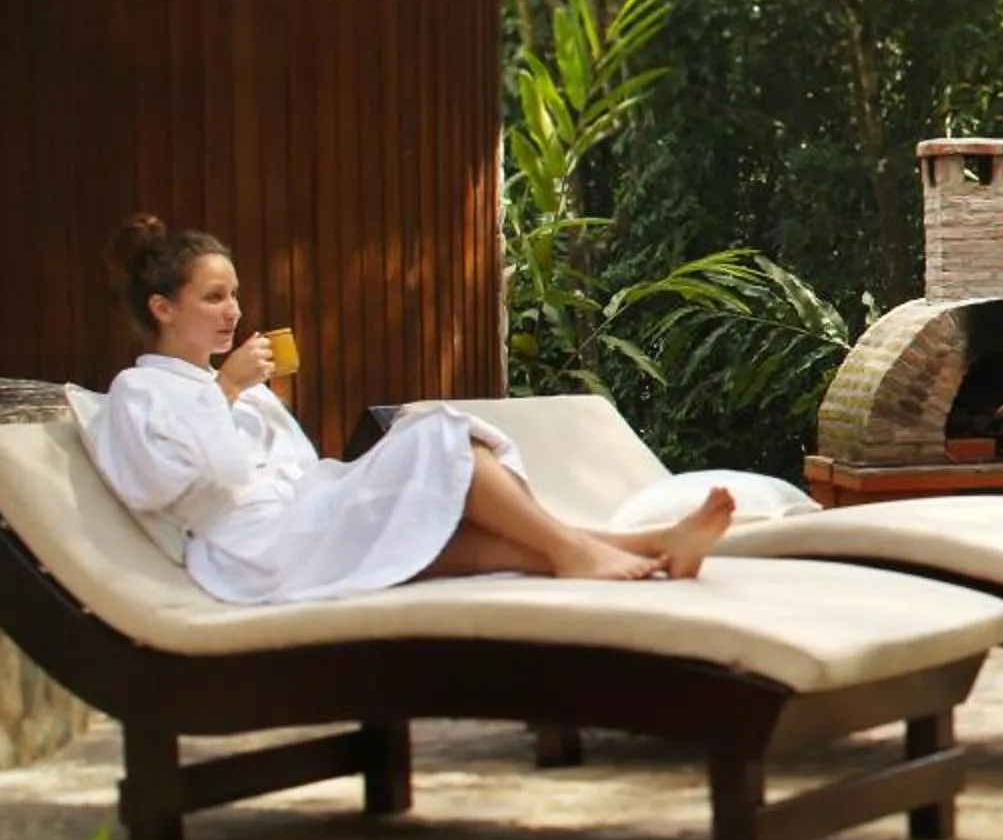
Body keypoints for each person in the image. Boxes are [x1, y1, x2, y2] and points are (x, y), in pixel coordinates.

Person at [81, 216, 733, 603]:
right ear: (163, 309)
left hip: (303, 517)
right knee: (436, 436)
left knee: (443, 523)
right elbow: (162, 486)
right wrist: (223, 394)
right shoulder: (138, 395)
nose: (233, 312)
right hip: (253, 552)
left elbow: (299, 462)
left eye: (234, 295)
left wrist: (239, 395)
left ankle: (652, 546)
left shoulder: (232, 386)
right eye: (213, 298)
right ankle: (585, 551)